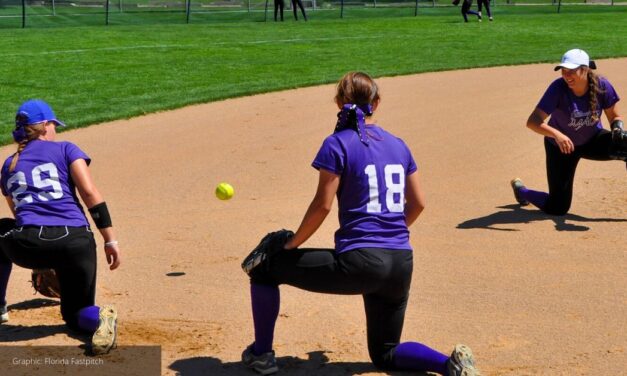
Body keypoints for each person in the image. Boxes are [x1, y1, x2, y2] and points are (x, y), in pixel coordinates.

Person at [241, 72, 481, 376]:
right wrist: (391, 232)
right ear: (376, 103)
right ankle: (449, 365)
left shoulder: (337, 143)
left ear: (340, 103)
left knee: (264, 269)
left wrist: (290, 245)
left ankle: (261, 355)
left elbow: (322, 206)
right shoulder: (399, 145)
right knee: (385, 353)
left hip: (361, 262)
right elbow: (419, 203)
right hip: (401, 262)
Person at [0, 99, 121, 355]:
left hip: (27, 243)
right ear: (44, 126)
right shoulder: (67, 148)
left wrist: (39, 258)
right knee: (76, 314)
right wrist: (110, 240)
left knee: (2, 228)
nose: (56, 130)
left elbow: (20, 215)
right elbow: (89, 194)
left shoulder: (8, 165)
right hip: (76, 243)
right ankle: (100, 318)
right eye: (54, 124)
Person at [511, 49, 626, 215]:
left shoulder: (602, 85)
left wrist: (617, 128)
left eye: (572, 71)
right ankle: (522, 191)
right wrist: (557, 135)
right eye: (564, 71)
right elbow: (533, 122)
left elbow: (615, 116)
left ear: (585, 69)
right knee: (558, 207)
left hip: (591, 141)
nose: (567, 76)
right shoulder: (558, 88)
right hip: (561, 148)